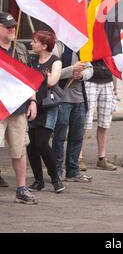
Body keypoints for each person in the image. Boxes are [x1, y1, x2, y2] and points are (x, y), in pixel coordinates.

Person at [0, 11, 37, 204]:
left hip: (19, 108)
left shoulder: (20, 49)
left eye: (14, 26)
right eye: (8, 27)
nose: (13, 29)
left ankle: (21, 189)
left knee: (19, 149)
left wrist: (33, 101)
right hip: (0, 107)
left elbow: (29, 78)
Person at [27, 31, 65, 193]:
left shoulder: (55, 61)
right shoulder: (31, 60)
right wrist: (41, 77)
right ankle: (38, 180)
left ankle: (55, 178)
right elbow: (27, 80)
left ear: (44, 45)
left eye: (34, 41)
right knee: (30, 146)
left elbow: (52, 81)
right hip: (32, 105)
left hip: (48, 107)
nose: (31, 44)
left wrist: (36, 77)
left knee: (42, 143)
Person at [52, 43, 93, 182]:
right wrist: (72, 70)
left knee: (77, 136)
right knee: (59, 136)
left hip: (80, 99)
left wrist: (81, 75)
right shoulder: (57, 47)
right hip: (61, 99)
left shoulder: (82, 47)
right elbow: (53, 74)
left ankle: (73, 170)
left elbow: (90, 69)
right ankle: (56, 170)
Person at [82, 59, 118, 171]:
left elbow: (114, 61)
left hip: (107, 82)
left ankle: (102, 158)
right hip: (90, 81)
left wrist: (115, 85)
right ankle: (78, 157)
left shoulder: (110, 42)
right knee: (84, 121)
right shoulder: (88, 41)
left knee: (105, 122)